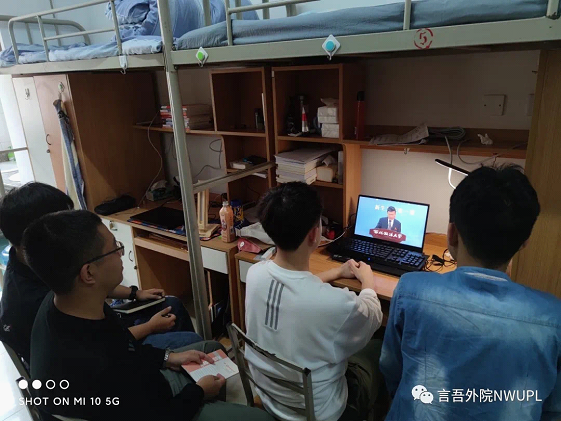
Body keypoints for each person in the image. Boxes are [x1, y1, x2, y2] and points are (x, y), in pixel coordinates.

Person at [23, 209, 274, 421]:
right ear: (88, 274)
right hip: (160, 409)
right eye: (114, 249)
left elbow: (124, 345)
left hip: (146, 389)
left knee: (211, 349)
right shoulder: (97, 366)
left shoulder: (65, 302)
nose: (120, 254)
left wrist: (168, 358)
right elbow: (158, 414)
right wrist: (198, 392)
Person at [380, 164, 561, 421]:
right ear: (524, 243)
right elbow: (552, 409)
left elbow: (391, 370)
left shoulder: (410, 289)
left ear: (451, 234)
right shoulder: (553, 318)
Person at [0, 182, 200, 366]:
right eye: (64, 219)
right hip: (96, 360)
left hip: (103, 333)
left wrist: (134, 293)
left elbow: (91, 283)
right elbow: (99, 346)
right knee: (191, 342)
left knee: (172, 304)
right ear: (39, 233)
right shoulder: (35, 302)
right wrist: (150, 328)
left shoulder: (41, 262)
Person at [245, 182, 385, 421]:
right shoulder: (333, 304)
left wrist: (336, 272)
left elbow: (298, 288)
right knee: (381, 344)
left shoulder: (255, 274)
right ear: (314, 234)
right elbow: (373, 315)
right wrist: (368, 280)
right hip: (321, 412)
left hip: (270, 397)